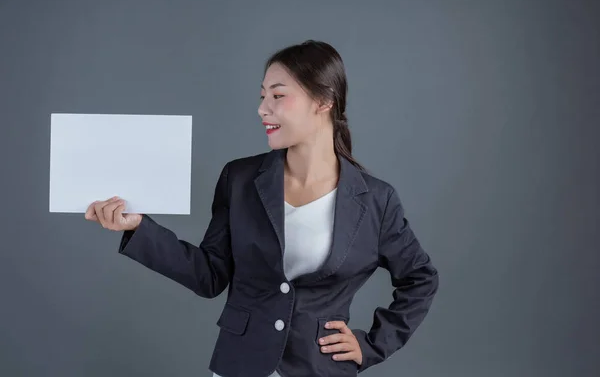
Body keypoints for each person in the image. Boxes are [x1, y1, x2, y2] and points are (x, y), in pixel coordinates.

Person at [85, 40, 439, 377]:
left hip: (321, 368)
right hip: (239, 365)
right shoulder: (239, 178)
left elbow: (420, 279)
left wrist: (372, 345)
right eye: (262, 95)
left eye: (278, 95)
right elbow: (209, 275)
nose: (262, 108)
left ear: (323, 101)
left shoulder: (375, 199)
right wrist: (137, 227)